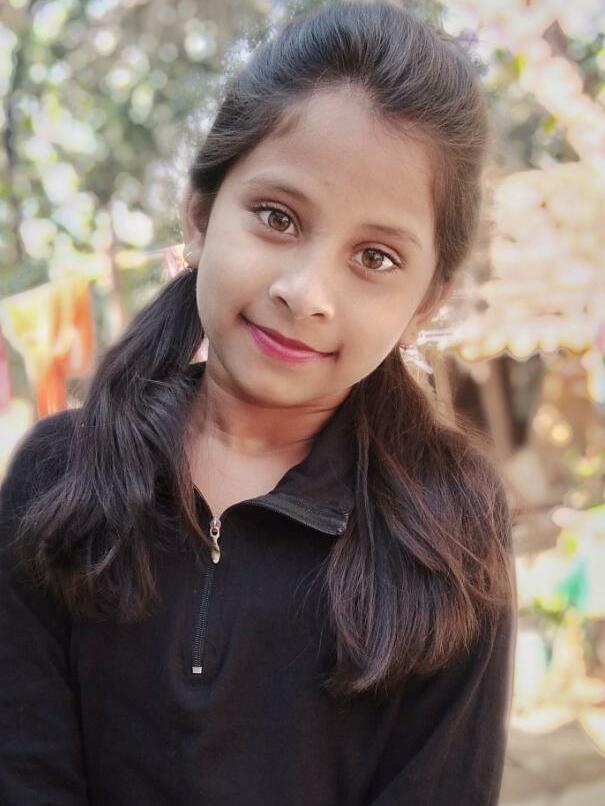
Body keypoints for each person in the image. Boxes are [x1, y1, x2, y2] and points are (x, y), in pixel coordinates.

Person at [0, 3, 518, 805]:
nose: (305, 293)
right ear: (200, 215)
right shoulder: (61, 479)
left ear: (425, 302)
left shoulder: (448, 532)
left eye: (375, 257)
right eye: (277, 217)